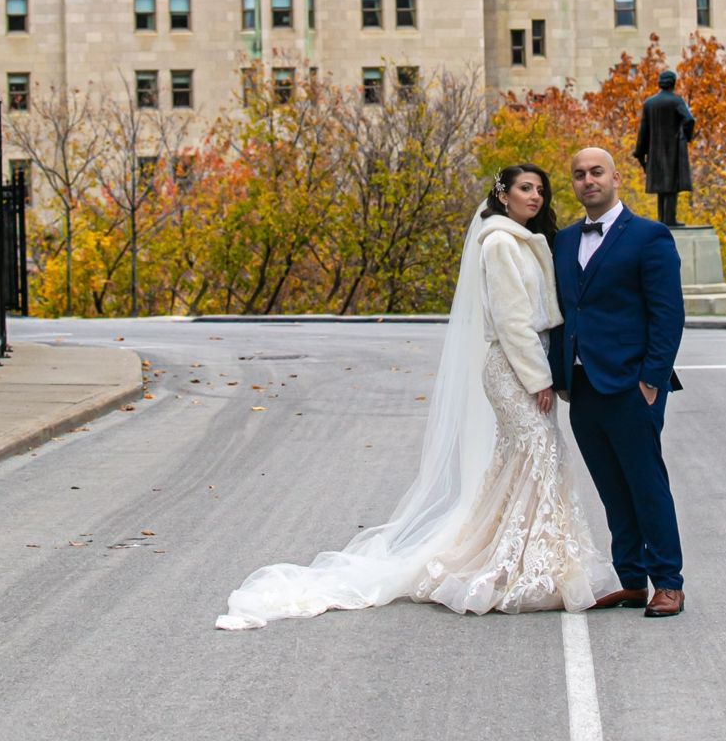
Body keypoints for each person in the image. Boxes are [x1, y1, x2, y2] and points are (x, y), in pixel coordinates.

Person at [216, 164, 614, 629]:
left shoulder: (524, 241)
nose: (536, 197)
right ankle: (520, 561)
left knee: (525, 461)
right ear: (503, 195)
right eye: (526, 189)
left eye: (541, 190)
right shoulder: (502, 242)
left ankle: (525, 556)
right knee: (539, 455)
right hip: (514, 369)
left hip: (526, 365)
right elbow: (510, 321)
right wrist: (537, 379)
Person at [551, 147, 687, 618]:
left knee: (646, 484)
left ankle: (668, 581)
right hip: (583, 387)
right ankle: (631, 579)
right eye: (578, 174)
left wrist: (650, 380)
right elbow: (564, 314)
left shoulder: (650, 236)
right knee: (611, 488)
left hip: (633, 386)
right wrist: (560, 374)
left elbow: (668, 315)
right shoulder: (564, 241)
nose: (588, 180)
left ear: (615, 178)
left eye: (596, 172)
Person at [633, 69, 695, 226]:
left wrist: (640, 152)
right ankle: (668, 220)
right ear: (673, 83)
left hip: (655, 153)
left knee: (663, 188)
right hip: (673, 150)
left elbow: (643, 131)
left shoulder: (649, 103)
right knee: (671, 187)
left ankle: (664, 219)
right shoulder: (676, 101)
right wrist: (684, 136)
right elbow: (689, 120)